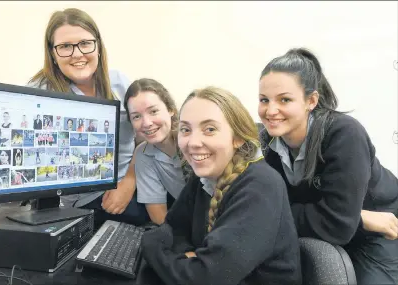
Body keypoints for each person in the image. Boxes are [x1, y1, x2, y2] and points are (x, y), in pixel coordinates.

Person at [258, 48, 398, 284]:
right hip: (354, 225)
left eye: (285, 99)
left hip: (381, 231)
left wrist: (348, 220)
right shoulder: (267, 142)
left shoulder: (344, 134)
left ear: (310, 101)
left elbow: (335, 226)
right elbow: (265, 209)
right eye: (264, 100)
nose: (271, 111)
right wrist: (359, 218)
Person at [141, 87, 302, 285]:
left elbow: (204, 278)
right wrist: (187, 258)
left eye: (209, 129)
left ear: (238, 137)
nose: (193, 142)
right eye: (185, 129)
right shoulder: (204, 176)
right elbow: (174, 228)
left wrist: (150, 244)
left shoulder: (260, 186)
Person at [28, 8, 148, 228]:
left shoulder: (119, 82)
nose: (77, 54)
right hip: (81, 201)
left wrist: (129, 180)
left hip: (131, 183)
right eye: (65, 46)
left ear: (98, 47)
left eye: (85, 43)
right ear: (52, 54)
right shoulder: (39, 91)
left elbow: (147, 135)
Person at [124, 78, 189, 225]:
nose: (146, 123)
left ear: (170, 109)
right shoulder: (143, 155)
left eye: (153, 111)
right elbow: (159, 216)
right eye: (136, 116)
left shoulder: (192, 140)